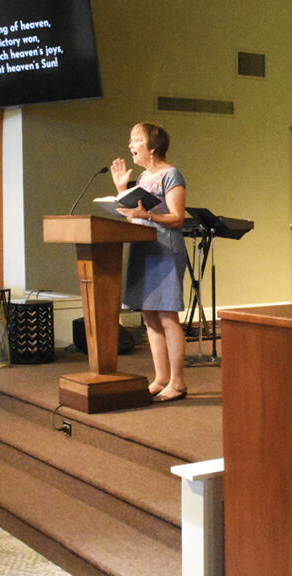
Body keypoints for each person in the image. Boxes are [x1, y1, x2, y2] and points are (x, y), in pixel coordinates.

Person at [110, 122, 188, 402]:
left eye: (136, 140)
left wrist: (147, 216)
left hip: (165, 249)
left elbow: (177, 217)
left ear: (152, 147)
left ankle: (178, 383)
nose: (131, 146)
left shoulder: (171, 174)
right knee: (149, 315)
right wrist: (121, 190)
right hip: (144, 248)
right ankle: (161, 378)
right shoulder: (142, 179)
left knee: (167, 315)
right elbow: (135, 214)